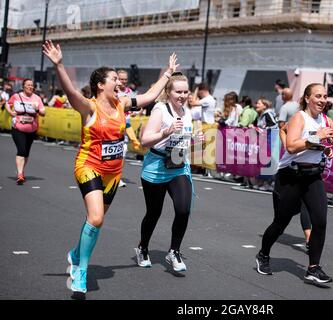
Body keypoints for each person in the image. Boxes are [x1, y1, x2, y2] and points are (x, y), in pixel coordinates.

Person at [43, 39, 178, 293]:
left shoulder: (122, 104)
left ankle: (75, 253)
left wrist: (168, 73)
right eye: (114, 79)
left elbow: (149, 96)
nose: (120, 82)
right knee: (95, 217)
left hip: (113, 174)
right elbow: (72, 92)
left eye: (119, 79)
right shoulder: (88, 107)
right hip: (88, 166)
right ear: (100, 84)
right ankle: (81, 271)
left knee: (97, 221)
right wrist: (59, 65)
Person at [255, 83, 333, 286]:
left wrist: (327, 146)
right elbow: (292, 146)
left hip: (312, 176)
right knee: (281, 222)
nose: (321, 100)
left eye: (324, 96)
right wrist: (315, 138)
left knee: (320, 221)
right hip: (290, 176)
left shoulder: (326, 119)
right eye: (317, 96)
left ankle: (313, 268)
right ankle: (263, 255)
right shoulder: (299, 117)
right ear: (307, 98)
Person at [135, 72, 203, 272]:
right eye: (178, 92)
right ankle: (143, 247)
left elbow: (181, 139)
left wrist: (194, 139)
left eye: (185, 91)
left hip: (178, 165)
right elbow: (145, 141)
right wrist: (165, 132)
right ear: (169, 91)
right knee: (154, 213)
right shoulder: (160, 110)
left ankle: (174, 251)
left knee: (183, 209)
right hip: (156, 166)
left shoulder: (187, 111)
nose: (182, 95)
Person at [5, 79, 46, 184]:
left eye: (32, 85)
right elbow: (7, 104)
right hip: (18, 128)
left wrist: (37, 109)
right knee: (21, 150)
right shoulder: (16, 96)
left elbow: (43, 112)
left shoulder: (37, 98)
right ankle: (19, 174)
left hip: (32, 129)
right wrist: (10, 112)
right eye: (28, 85)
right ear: (23, 86)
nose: (30, 87)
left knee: (26, 152)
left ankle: (21, 170)